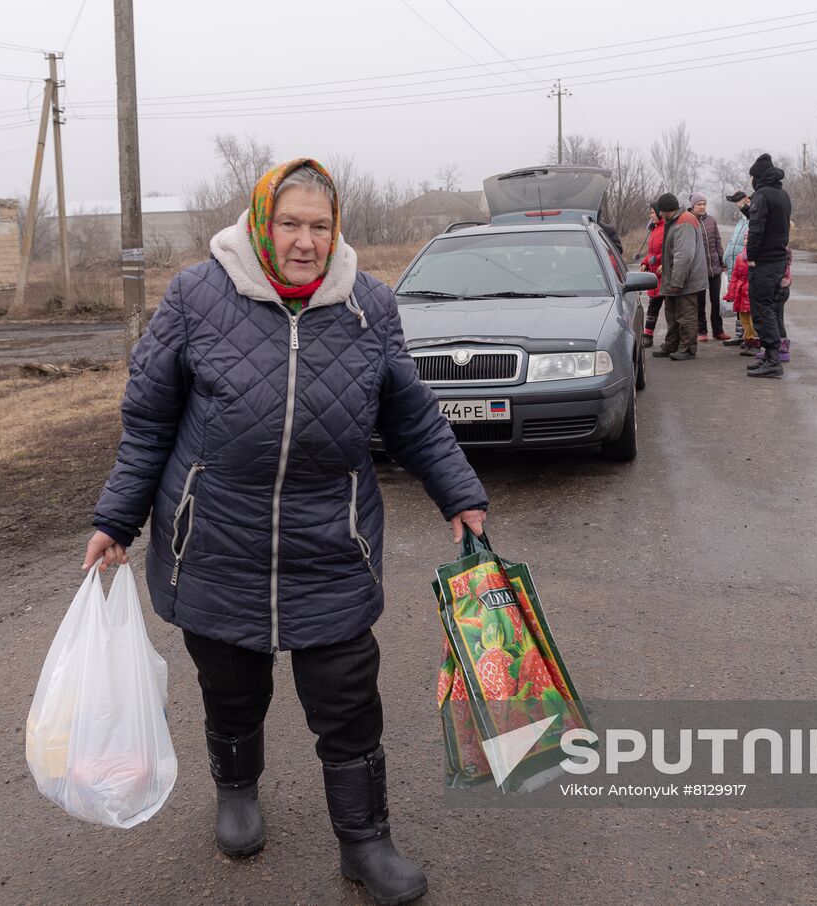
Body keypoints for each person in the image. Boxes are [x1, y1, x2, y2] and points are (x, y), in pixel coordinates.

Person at [84, 158, 488, 905]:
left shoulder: (369, 304)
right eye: (291, 224)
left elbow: (411, 416)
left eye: (320, 226)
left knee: (347, 700)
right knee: (231, 687)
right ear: (262, 222)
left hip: (330, 543)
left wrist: (458, 493)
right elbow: (148, 423)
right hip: (215, 543)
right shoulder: (197, 295)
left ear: (338, 231)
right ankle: (236, 790)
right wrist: (115, 518)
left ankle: (365, 843)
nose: (306, 242)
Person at [744, 154, 792, 378]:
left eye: (752, 176)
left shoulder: (762, 196)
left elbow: (757, 228)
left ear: (758, 176)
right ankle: (770, 356)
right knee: (771, 308)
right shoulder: (783, 195)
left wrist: (751, 255)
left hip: (764, 262)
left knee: (762, 309)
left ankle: (773, 360)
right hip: (778, 260)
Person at [648, 193, 707, 361]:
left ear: (665, 210)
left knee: (685, 314)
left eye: (660, 211)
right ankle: (671, 345)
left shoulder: (684, 221)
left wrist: (676, 281)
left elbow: (684, 256)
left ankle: (688, 348)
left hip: (685, 280)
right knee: (672, 314)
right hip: (675, 279)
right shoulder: (674, 220)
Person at [688, 193, 728, 342]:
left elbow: (717, 240)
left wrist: (722, 260)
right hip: (698, 269)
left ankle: (718, 331)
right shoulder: (689, 221)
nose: (702, 207)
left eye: (704, 204)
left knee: (716, 300)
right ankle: (702, 331)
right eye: (699, 204)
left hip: (715, 268)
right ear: (693, 206)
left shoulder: (711, 220)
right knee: (700, 302)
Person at [720, 191, 750, 347]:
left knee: (746, 303)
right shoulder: (740, 222)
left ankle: (748, 335)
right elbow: (732, 243)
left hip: (744, 268)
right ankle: (740, 334)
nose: (737, 206)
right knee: (738, 302)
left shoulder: (752, 220)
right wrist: (725, 258)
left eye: (738, 202)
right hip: (733, 267)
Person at [723, 237, 759, 355]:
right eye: (744, 238)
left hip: (753, 292)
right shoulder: (740, 256)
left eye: (748, 238)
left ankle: (755, 344)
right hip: (741, 293)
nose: (745, 240)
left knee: (753, 321)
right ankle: (748, 341)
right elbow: (735, 276)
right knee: (744, 320)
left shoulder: (760, 256)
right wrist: (731, 293)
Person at [638, 205, 666, 346]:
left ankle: (672, 339)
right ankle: (648, 336)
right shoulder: (654, 230)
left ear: (660, 213)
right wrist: (645, 262)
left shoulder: (666, 229)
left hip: (665, 275)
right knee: (652, 308)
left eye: (652, 213)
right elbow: (651, 252)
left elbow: (669, 250)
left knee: (670, 310)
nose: (650, 216)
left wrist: (664, 263)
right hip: (654, 275)